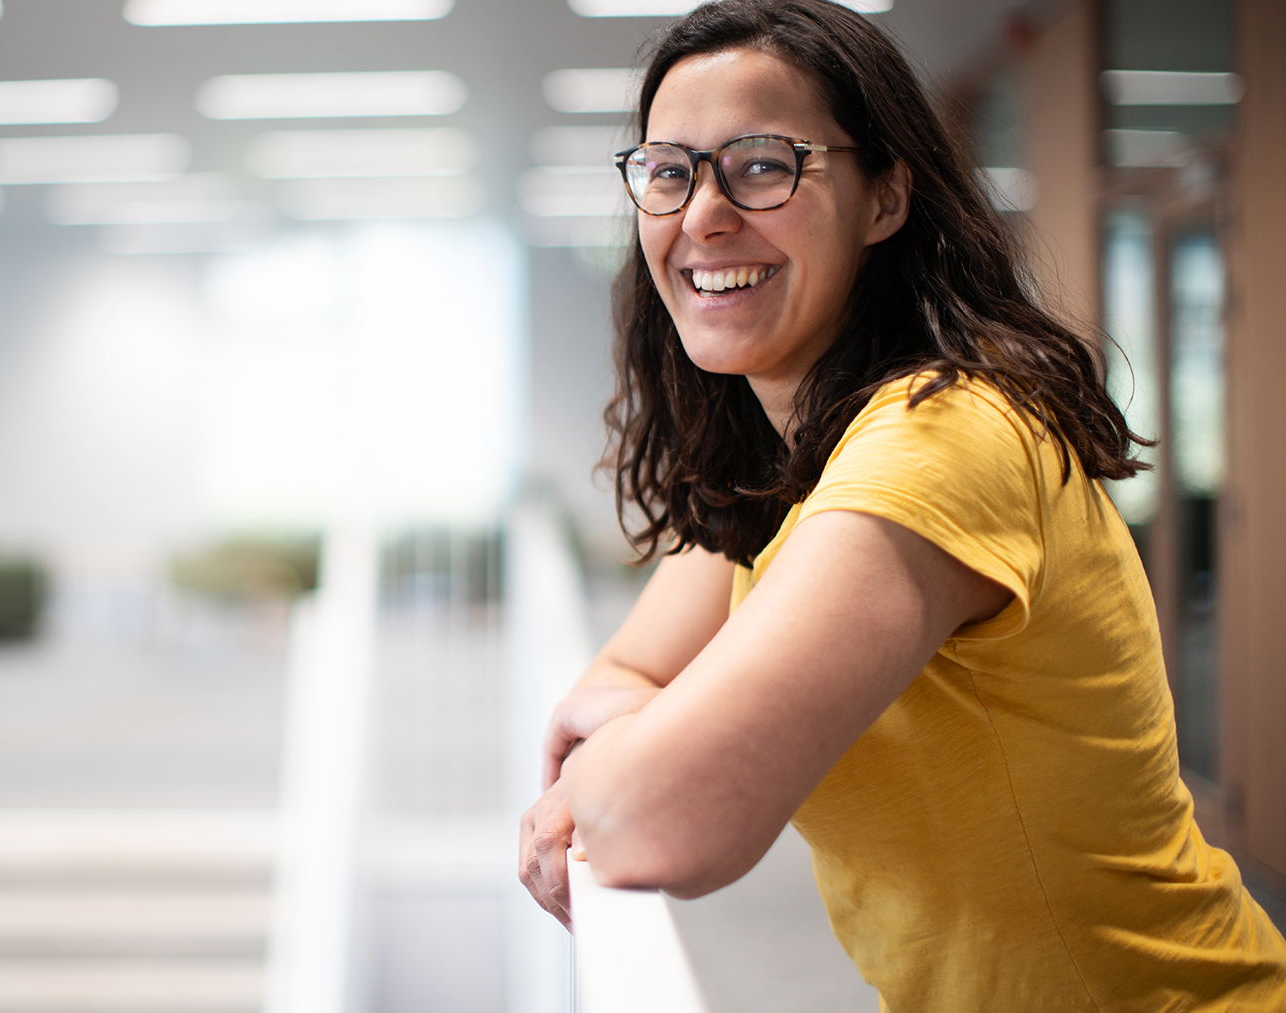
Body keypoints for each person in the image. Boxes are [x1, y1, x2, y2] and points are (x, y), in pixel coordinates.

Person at [515, 0, 1286, 1009]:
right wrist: (638, 730)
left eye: (760, 164)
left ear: (884, 198)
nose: (703, 212)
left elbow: (662, 822)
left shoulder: (939, 436)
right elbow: (625, 669)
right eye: (669, 170)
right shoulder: (793, 454)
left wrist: (624, 760)